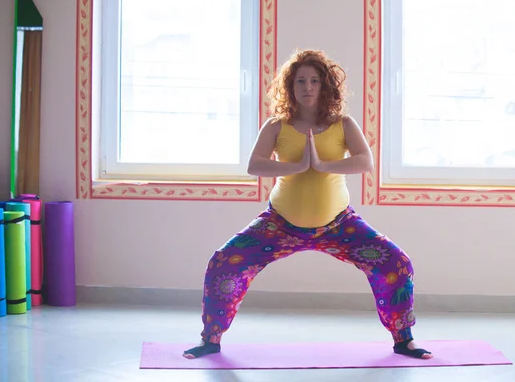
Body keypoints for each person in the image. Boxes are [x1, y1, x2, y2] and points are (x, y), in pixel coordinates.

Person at [183, 49, 432, 360]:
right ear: (290, 87)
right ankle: (211, 340)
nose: (308, 87)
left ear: (325, 85)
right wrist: (298, 166)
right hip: (279, 225)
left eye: (314, 80)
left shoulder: (343, 123)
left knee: (396, 264)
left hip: (338, 225)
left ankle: (403, 340)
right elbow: (254, 165)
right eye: (300, 80)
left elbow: (365, 161)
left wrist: (322, 165)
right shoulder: (277, 125)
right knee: (223, 263)